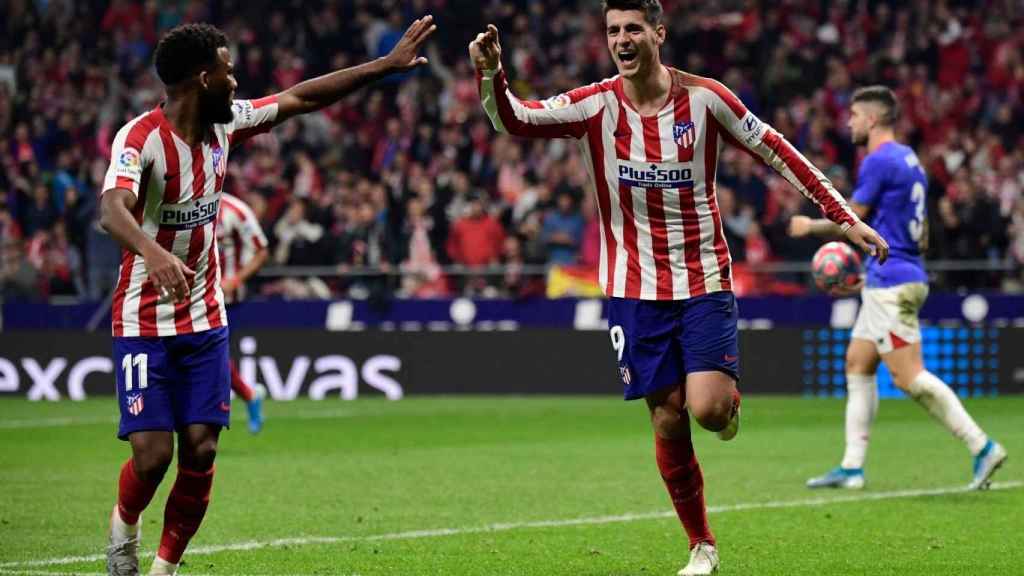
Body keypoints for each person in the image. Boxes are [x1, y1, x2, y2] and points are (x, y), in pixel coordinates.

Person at [470, 2, 888, 574]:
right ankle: (702, 545)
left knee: (709, 412)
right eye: (613, 30)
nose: (622, 39)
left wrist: (843, 216)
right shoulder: (593, 106)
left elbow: (776, 150)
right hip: (631, 288)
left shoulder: (706, 99)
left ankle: (727, 405)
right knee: (668, 418)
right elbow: (515, 119)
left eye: (633, 29)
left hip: (702, 278)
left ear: (657, 34)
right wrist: (492, 75)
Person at [99, 18, 435, 575]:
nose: (237, 82)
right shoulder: (140, 140)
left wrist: (384, 67)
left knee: (202, 449)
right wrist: (153, 254)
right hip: (141, 319)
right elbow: (112, 208)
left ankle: (163, 571)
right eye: (228, 72)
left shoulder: (227, 125)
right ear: (202, 78)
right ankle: (123, 531)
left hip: (205, 316)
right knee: (153, 456)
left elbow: (302, 97)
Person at [790, 86, 1007, 491]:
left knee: (909, 376)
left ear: (872, 119)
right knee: (858, 362)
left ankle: (982, 446)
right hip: (899, 274)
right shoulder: (911, 160)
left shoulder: (879, 160)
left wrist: (810, 227)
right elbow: (921, 235)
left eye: (854, 114)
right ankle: (852, 467)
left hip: (892, 282)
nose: (849, 121)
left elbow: (853, 217)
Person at [217, 192, 269, 434]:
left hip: (225, 298)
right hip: (192, 296)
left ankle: (247, 396)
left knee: (212, 356)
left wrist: (235, 279)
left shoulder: (236, 210)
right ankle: (249, 395)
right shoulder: (181, 201)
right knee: (207, 357)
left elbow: (261, 251)